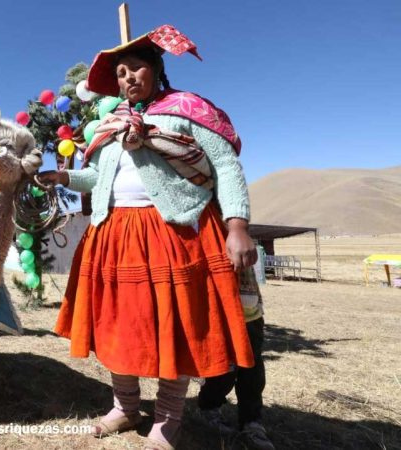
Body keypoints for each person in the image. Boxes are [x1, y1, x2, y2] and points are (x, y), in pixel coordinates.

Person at [39, 25, 257, 449]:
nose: (127, 78)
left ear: (157, 70)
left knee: (173, 326)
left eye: (136, 68)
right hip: (114, 233)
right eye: (120, 72)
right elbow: (98, 177)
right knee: (118, 325)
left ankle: (169, 416)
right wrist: (64, 176)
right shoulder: (111, 124)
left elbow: (226, 165)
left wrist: (238, 225)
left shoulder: (186, 110)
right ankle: (125, 407)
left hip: (174, 231)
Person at [198, 267, 274, 450]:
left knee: (252, 369)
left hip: (249, 311)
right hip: (217, 309)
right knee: (223, 367)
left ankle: (251, 421)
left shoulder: (243, 237)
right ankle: (210, 408)